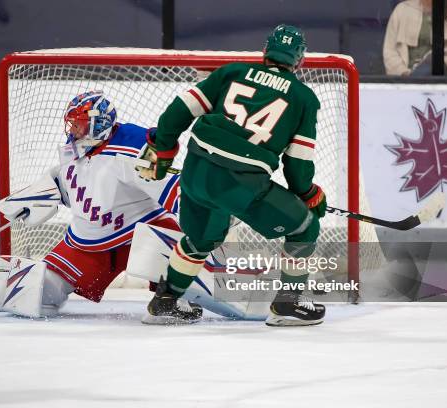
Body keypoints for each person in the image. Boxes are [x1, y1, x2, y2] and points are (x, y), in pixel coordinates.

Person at [139, 24, 327, 326]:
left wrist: (163, 148)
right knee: (304, 227)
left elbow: (178, 110)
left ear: (265, 51)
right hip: (241, 183)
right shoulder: (304, 98)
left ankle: (165, 301)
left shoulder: (231, 72)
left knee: (200, 240)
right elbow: (297, 164)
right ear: (299, 60)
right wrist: (308, 193)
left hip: (196, 171)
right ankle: (287, 306)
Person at [0, 90, 202, 321]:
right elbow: (75, 186)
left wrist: (209, 211)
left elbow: (172, 188)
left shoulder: (133, 149)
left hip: (141, 232)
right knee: (34, 295)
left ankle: (179, 296)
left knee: (179, 247)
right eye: (73, 124)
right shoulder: (74, 150)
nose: (73, 130)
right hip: (88, 241)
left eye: (80, 124)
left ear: (100, 124)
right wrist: (41, 195)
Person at [383, 0, 447, 76]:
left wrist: (442, 63)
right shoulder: (401, 10)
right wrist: (406, 75)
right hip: (404, 84)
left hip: (443, 83)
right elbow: (390, 52)